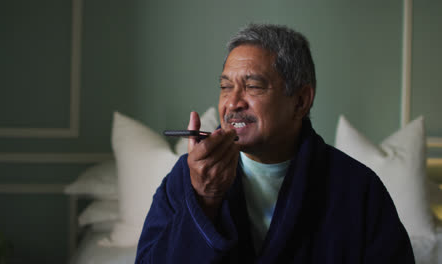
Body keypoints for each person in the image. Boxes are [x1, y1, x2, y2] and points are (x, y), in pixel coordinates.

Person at [135, 24, 415, 263]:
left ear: (301, 101)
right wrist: (204, 200)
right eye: (225, 87)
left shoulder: (357, 189)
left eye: (253, 86)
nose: (232, 102)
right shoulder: (189, 178)